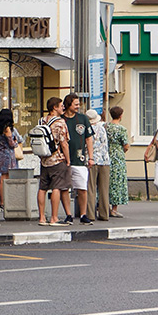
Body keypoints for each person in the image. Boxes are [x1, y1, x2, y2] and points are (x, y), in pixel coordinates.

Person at [37, 97, 71, 226]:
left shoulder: (41, 121)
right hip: (56, 159)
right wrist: (68, 160)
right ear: (54, 108)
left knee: (42, 188)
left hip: (43, 159)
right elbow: (64, 143)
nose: (63, 107)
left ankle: (41, 218)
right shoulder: (60, 123)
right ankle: (54, 218)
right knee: (56, 187)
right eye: (61, 105)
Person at [62, 94, 94, 223]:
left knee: (82, 188)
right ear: (68, 104)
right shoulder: (61, 120)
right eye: (75, 104)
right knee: (64, 187)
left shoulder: (83, 119)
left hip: (79, 159)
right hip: (63, 159)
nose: (78, 106)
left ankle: (83, 214)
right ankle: (68, 214)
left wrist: (90, 157)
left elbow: (89, 138)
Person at [0, 108, 23, 216]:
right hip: (8, 155)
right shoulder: (7, 128)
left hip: (0, 155)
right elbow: (11, 143)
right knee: (6, 178)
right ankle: (5, 201)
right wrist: (15, 143)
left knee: (2, 178)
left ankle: (2, 202)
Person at [87, 108, 111, 223]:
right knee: (104, 189)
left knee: (91, 188)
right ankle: (104, 213)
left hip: (91, 160)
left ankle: (90, 214)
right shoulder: (102, 128)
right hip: (104, 160)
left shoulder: (86, 129)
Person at [106, 106, 131, 218]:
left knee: (106, 181)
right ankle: (114, 209)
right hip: (118, 156)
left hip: (106, 154)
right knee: (117, 181)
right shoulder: (121, 129)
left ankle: (104, 206)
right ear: (120, 115)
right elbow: (126, 145)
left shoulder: (105, 127)